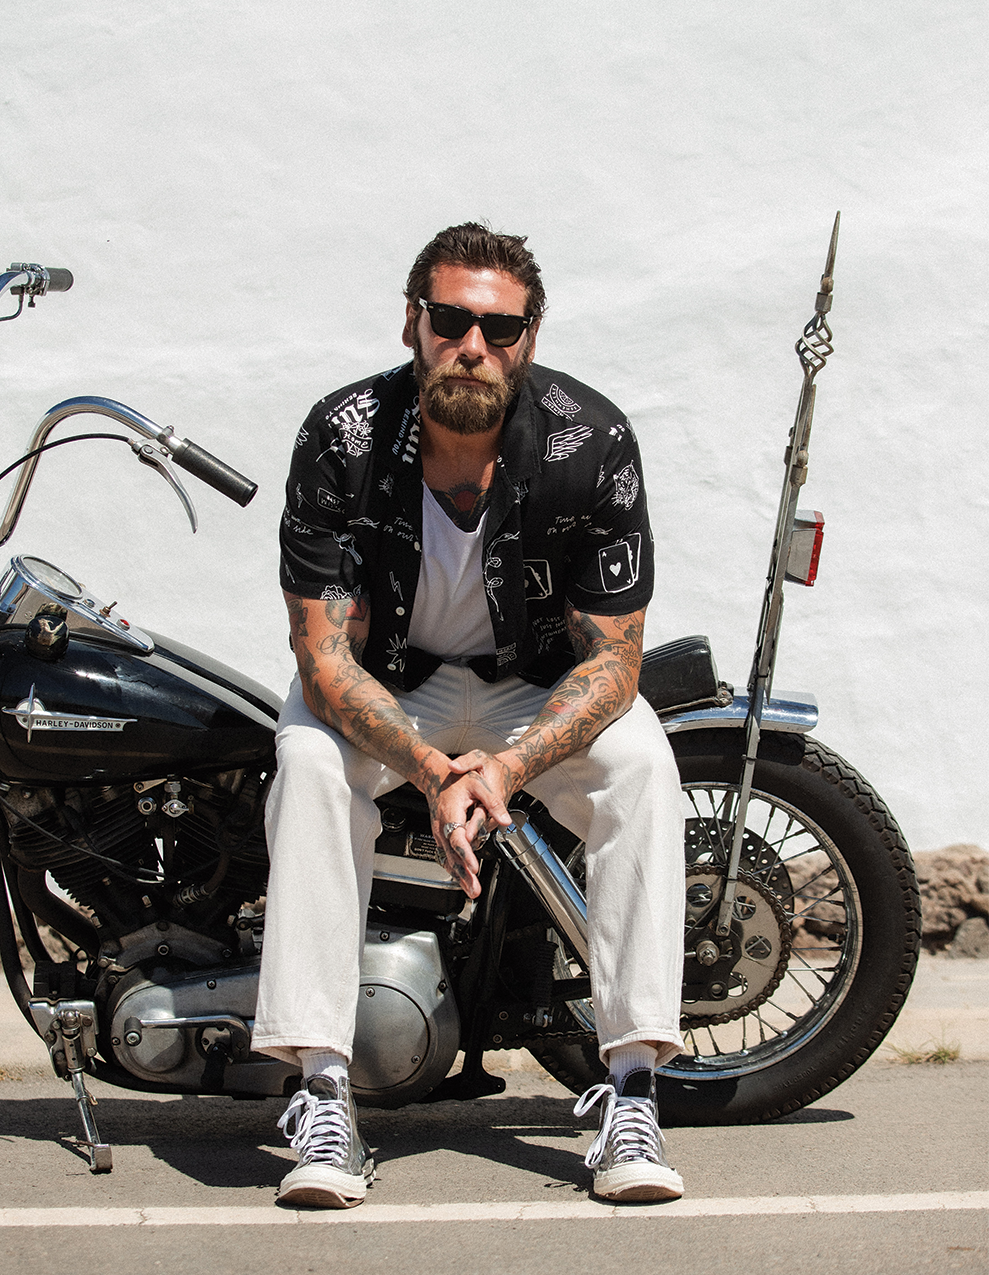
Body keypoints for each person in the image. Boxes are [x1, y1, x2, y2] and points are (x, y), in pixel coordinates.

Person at [252, 223, 687, 1208]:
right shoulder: (342, 437)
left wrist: (503, 768)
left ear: (530, 336)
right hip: (388, 682)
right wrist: (431, 768)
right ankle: (323, 1091)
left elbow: (613, 662)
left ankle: (632, 1091)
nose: (472, 346)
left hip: (532, 682)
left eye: (499, 327)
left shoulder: (591, 442)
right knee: (311, 767)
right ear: (413, 322)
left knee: (641, 766)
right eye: (450, 320)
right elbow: (324, 657)